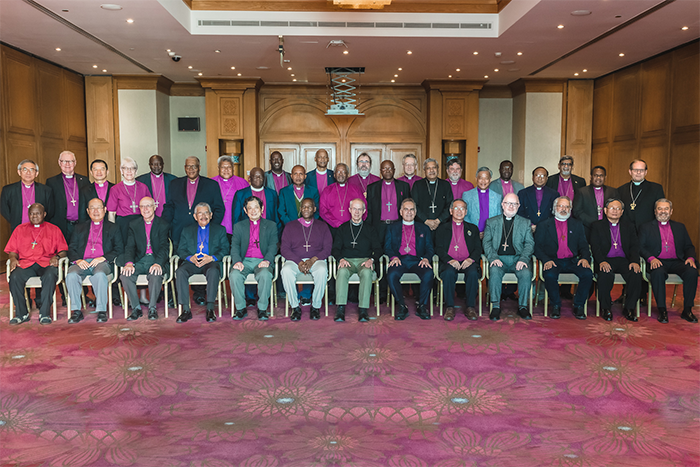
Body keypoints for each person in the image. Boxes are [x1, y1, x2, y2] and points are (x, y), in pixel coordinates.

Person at [4, 203, 68, 325]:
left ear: (44, 214)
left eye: (38, 213)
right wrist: (12, 259)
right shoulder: (20, 229)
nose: (34, 216)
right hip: (26, 263)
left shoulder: (54, 229)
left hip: (46, 263)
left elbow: (63, 251)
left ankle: (44, 314)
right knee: (15, 277)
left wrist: (57, 257)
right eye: (32, 213)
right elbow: (12, 251)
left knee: (50, 275)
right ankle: (21, 314)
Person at [639, 199, 698, 324]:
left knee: (692, 272)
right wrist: (651, 258)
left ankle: (687, 310)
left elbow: (689, 246)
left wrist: (690, 258)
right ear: (655, 211)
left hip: (677, 261)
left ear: (671, 211)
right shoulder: (646, 227)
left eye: (666, 208)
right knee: (658, 273)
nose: (663, 211)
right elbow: (640, 247)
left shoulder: (680, 227)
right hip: (658, 261)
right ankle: (662, 310)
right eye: (660, 208)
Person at [534, 196, 593, 320]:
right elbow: (537, 247)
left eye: (567, 206)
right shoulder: (544, 225)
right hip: (553, 260)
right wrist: (546, 260)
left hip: (572, 261)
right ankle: (555, 305)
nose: (563, 209)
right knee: (550, 275)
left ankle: (579, 305)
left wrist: (585, 258)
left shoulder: (577, 224)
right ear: (554, 208)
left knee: (587, 274)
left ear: (570, 209)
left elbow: (583, 245)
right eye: (561, 206)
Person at [66, 198, 124, 324]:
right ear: (88, 211)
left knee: (99, 275)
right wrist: (78, 260)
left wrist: (103, 258)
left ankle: (102, 310)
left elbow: (119, 249)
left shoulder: (113, 227)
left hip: (102, 263)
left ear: (105, 210)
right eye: (92, 208)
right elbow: (71, 248)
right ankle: (76, 311)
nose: (96, 211)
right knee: (71, 275)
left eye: (99, 208)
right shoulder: (79, 227)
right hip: (82, 262)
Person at [483, 193, 535, 321]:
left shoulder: (525, 223)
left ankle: (523, 306)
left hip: (517, 259)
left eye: (514, 204)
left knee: (526, 273)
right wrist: (493, 258)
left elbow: (529, 244)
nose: (511, 206)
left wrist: (523, 259)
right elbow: (486, 242)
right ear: (502, 204)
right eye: (508, 203)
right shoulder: (491, 222)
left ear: (519, 206)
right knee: (494, 271)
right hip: (498, 258)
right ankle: (495, 306)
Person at [174, 202, 228, 323]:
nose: (203, 216)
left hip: (210, 262)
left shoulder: (220, 230)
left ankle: (210, 309)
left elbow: (225, 249)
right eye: (200, 213)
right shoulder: (187, 230)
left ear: (211, 214)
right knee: (180, 272)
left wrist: (212, 258)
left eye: (206, 213)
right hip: (192, 262)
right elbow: (181, 250)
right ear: (195, 216)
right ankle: (185, 310)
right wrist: (190, 258)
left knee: (213, 271)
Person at [590, 198, 642, 322]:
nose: (615, 211)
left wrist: (634, 261)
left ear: (622, 212)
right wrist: (601, 261)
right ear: (605, 210)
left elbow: (635, 246)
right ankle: (606, 308)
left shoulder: (629, 226)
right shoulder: (597, 226)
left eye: (618, 209)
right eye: (612, 208)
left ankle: (629, 308)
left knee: (635, 274)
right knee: (605, 274)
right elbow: (595, 247)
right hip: (605, 259)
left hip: (624, 260)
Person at [280, 198, 333, 321]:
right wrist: (299, 262)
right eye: (304, 207)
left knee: (322, 270)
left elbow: (327, 248)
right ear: (300, 209)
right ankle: (295, 306)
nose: (306, 209)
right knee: (286, 271)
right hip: (295, 261)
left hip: (316, 260)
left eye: (309, 207)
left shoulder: (322, 226)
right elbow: (284, 249)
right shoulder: (290, 226)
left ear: (314, 209)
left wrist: (312, 260)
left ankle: (315, 306)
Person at [120, 196, 171, 321]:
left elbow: (164, 247)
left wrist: (158, 263)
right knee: (125, 275)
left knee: (155, 274)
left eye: (148, 206)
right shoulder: (134, 225)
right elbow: (130, 246)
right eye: (142, 206)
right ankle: (136, 308)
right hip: (140, 260)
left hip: (156, 259)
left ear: (154, 207)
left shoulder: (163, 224)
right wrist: (129, 263)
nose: (145, 209)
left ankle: (152, 308)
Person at [332, 198, 382, 322]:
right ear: (349, 210)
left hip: (364, 261)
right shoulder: (343, 228)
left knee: (366, 272)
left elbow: (378, 249)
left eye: (360, 209)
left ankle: (363, 310)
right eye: (354, 209)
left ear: (364, 211)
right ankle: (340, 309)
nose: (357, 212)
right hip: (347, 261)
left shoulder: (370, 229)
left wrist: (371, 260)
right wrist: (341, 259)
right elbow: (335, 248)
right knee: (342, 272)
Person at [385, 198, 434, 321]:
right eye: (406, 209)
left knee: (428, 273)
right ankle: (402, 306)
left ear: (415, 212)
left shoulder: (423, 228)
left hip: (417, 260)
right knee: (391, 275)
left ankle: (422, 306)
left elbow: (430, 248)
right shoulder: (392, 228)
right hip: (399, 260)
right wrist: (394, 257)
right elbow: (387, 247)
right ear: (401, 212)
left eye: (412, 209)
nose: (409, 212)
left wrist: (426, 258)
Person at [230, 197, 277, 321]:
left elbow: (273, 245)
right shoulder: (239, 226)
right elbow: (235, 246)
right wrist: (237, 261)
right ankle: (240, 308)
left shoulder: (271, 225)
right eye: (249, 208)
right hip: (244, 261)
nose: (253, 211)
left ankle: (262, 309)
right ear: (245, 211)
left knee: (265, 275)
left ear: (262, 209)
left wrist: (267, 260)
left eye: (256, 207)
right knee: (234, 275)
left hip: (262, 260)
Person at [163, 156, 225, 250]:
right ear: (185, 168)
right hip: (178, 231)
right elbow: (169, 207)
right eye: (188, 166)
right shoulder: (174, 184)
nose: (191, 169)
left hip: (203, 233)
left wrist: (210, 226)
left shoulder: (211, 185)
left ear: (199, 168)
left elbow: (219, 209)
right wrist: (164, 226)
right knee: (180, 258)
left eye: (194, 166)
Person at [435, 199, 481, 321]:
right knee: (448, 273)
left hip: (468, 262)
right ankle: (450, 307)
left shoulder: (473, 228)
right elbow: (438, 248)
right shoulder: (442, 228)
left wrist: (471, 259)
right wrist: (449, 260)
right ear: (451, 211)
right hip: (450, 262)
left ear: (466, 212)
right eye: (456, 208)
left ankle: (470, 307)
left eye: (462, 208)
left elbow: (478, 248)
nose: (459, 211)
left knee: (473, 273)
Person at [46, 150, 90, 244]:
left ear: (75, 163)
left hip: (81, 225)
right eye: (64, 161)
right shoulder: (51, 182)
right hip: (61, 225)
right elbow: (49, 206)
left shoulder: (84, 181)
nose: (67, 164)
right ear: (59, 162)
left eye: (70, 161)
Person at [1, 159, 54, 231]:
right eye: (25, 169)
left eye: (32, 170)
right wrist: (14, 219)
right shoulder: (8, 190)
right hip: (18, 228)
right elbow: (4, 209)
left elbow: (50, 211)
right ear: (19, 172)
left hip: (40, 229)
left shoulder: (46, 190)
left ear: (36, 173)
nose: (28, 173)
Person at [366, 160, 410, 244]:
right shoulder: (372, 188)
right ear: (380, 171)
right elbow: (369, 210)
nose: (387, 171)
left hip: (397, 225)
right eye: (384, 168)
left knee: (396, 249)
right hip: (379, 227)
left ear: (394, 170)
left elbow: (408, 207)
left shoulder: (404, 186)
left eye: (390, 168)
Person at [106, 157, 150, 241]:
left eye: (132, 168)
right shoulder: (115, 189)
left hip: (140, 222)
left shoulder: (143, 187)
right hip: (123, 224)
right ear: (121, 171)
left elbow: (150, 209)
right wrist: (112, 232)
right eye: (125, 168)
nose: (129, 171)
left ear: (136, 171)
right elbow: (111, 213)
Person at [572, 166, 620, 239]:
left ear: (605, 177)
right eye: (595, 175)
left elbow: (617, 210)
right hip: (588, 229)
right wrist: (594, 223)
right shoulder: (582, 192)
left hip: (608, 229)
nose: (598, 178)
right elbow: (577, 211)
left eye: (601, 176)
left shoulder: (612, 192)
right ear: (591, 177)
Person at [618, 159, 666, 232]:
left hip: (649, 231)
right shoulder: (621, 190)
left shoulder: (656, 189)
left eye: (641, 170)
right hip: (626, 231)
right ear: (630, 172)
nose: (638, 172)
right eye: (635, 170)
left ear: (646, 172)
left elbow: (660, 211)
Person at [232, 167, 281, 237]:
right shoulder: (240, 194)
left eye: (260, 176)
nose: (258, 178)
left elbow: (276, 217)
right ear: (250, 178)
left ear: (264, 178)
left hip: (268, 234)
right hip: (247, 234)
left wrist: (277, 236)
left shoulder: (272, 194)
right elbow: (236, 218)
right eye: (255, 177)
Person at [320, 163, 364, 235]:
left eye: (343, 171)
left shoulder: (356, 189)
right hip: (332, 228)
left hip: (352, 228)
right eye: (338, 171)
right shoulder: (327, 190)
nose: (340, 174)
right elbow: (322, 210)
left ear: (347, 175)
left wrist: (356, 223)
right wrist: (337, 223)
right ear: (334, 175)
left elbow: (363, 207)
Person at [412, 158, 453, 234]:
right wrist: (426, 220)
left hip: (442, 225)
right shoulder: (417, 185)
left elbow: (450, 205)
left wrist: (439, 220)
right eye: (428, 168)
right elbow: (414, 205)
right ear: (424, 171)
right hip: (422, 225)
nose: (431, 170)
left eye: (434, 167)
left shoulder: (445, 185)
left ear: (438, 169)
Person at [211, 155, 249, 236]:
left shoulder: (243, 183)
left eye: (229, 167)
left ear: (233, 168)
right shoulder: (211, 183)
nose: (226, 170)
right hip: (215, 226)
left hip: (236, 226)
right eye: (223, 167)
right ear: (218, 168)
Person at [463, 167, 502, 237]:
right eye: (480, 178)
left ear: (490, 179)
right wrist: (474, 231)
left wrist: (488, 233)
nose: (483, 181)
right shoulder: (467, 195)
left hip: (491, 235)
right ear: (476, 179)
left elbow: (499, 218)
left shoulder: (497, 197)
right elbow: (465, 216)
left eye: (486, 178)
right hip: (472, 235)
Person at [518, 167, 559, 231]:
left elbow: (555, 213)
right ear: (532, 177)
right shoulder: (523, 193)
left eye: (543, 176)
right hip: (527, 228)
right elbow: (520, 212)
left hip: (547, 229)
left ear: (546, 178)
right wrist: (530, 225)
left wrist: (544, 226)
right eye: (537, 175)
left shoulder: (554, 194)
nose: (540, 178)